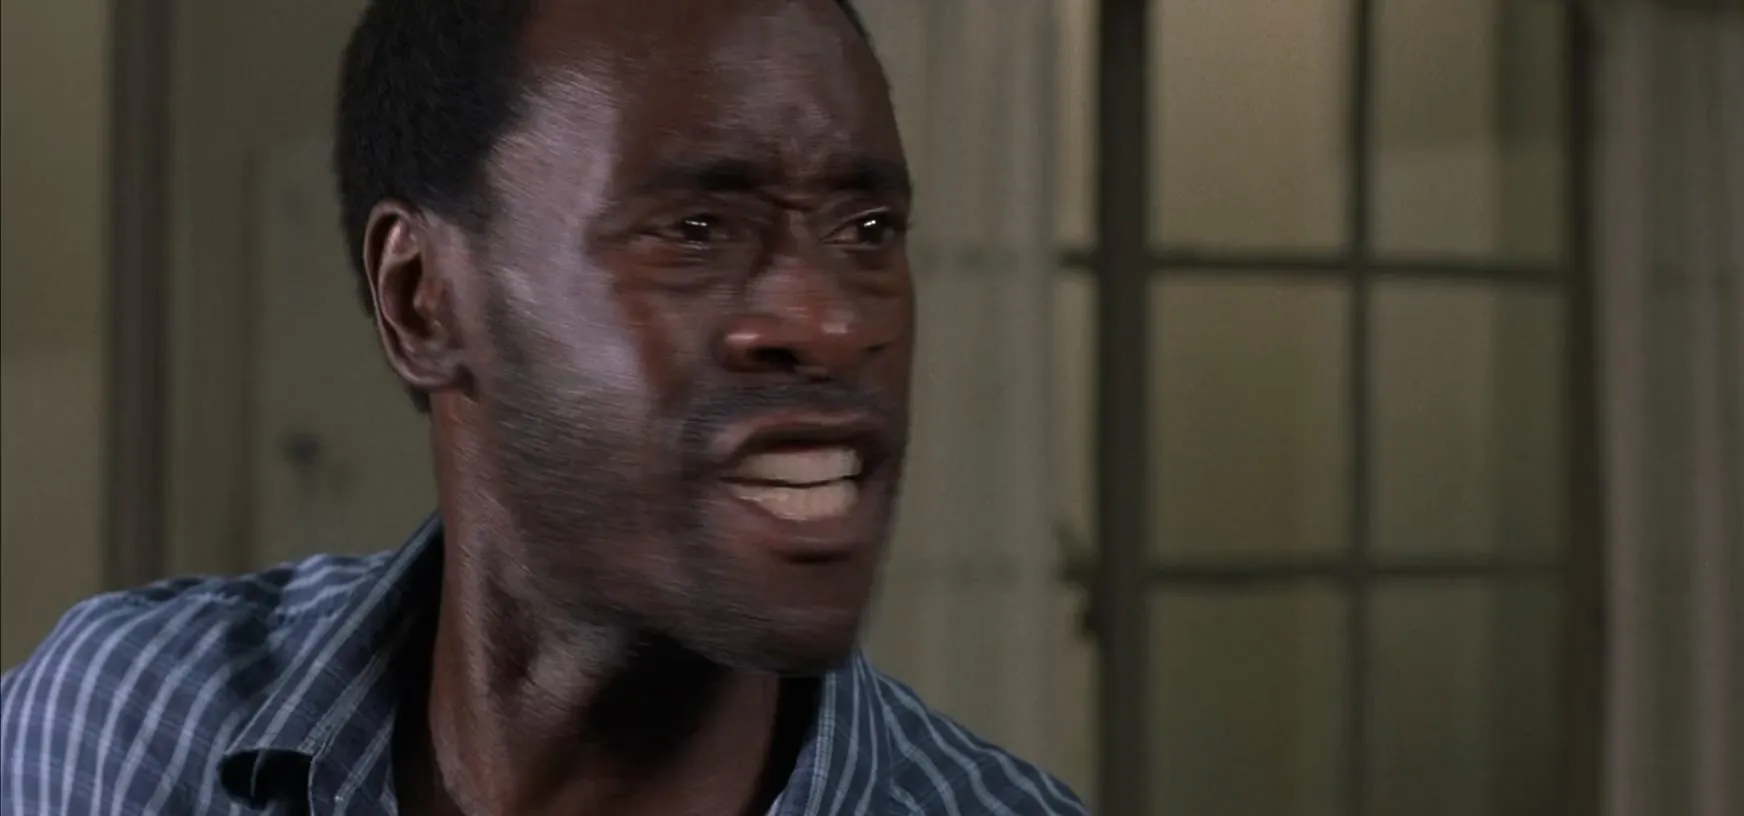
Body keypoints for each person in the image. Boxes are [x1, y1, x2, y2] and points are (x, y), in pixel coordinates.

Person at [0, 1, 1086, 813]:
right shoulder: (117, 739)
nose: (834, 323)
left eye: (867, 231)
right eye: (696, 230)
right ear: (422, 300)